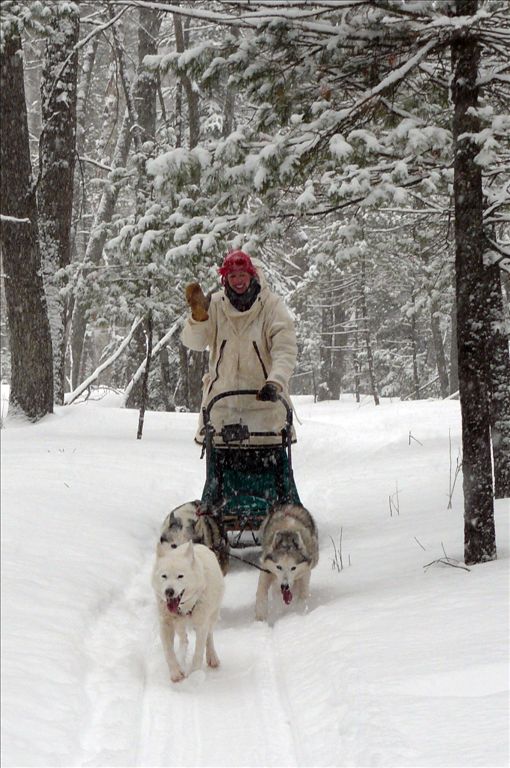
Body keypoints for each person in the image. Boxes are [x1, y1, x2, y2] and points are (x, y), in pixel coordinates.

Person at [182, 250, 297, 445]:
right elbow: (195, 343)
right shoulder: (215, 304)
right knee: (220, 474)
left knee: (272, 473)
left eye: (242, 275)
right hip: (222, 409)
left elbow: (284, 348)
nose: (238, 281)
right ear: (225, 279)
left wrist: (275, 382)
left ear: (252, 275)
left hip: (266, 410)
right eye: (232, 276)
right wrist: (198, 320)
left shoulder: (271, 306)